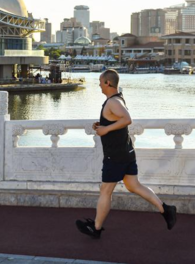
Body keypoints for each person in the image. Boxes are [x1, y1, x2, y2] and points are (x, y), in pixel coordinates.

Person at [76, 69, 177, 239]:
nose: (99, 85)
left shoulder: (112, 102)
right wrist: (102, 124)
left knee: (105, 190)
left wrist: (106, 128)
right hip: (126, 152)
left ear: (108, 83)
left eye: (100, 82)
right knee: (133, 186)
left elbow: (127, 119)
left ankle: (96, 228)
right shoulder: (116, 99)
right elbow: (119, 119)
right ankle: (165, 210)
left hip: (116, 155)